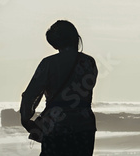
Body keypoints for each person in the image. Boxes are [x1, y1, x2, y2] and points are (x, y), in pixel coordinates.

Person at [20, 20, 97, 156]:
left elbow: (30, 95)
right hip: (85, 126)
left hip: (55, 126)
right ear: (75, 37)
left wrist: (26, 119)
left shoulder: (48, 63)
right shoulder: (89, 62)